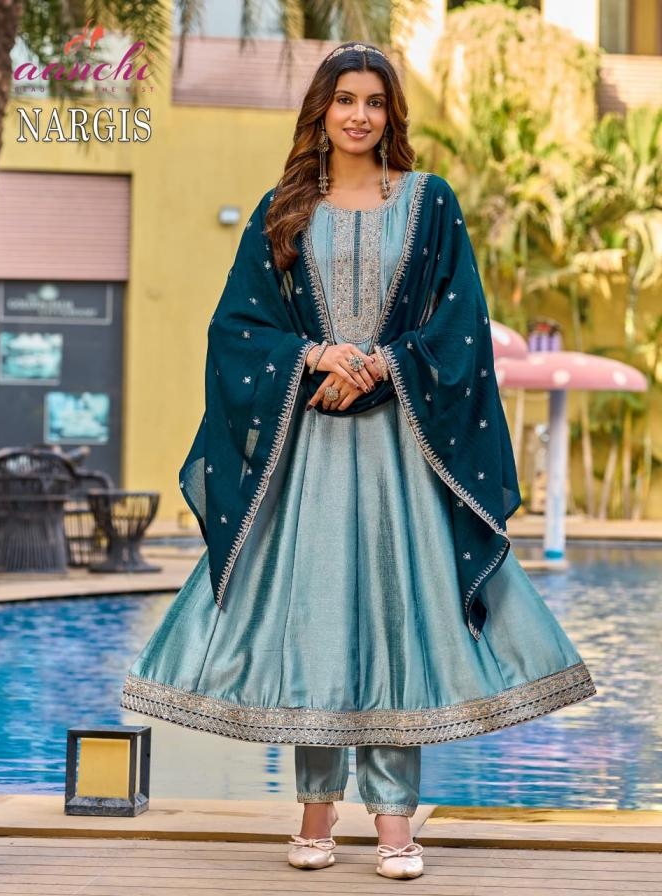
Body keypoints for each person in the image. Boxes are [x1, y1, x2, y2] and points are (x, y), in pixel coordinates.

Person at [121, 41, 597, 881]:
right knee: (318, 619)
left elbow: (460, 325)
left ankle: (393, 822)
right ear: (321, 109)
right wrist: (314, 357)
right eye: (345, 99)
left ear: (391, 115)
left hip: (399, 453)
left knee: (393, 618)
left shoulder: (428, 202)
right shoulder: (284, 210)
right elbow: (237, 329)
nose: (359, 115)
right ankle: (315, 813)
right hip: (310, 452)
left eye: (375, 102)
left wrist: (380, 366)